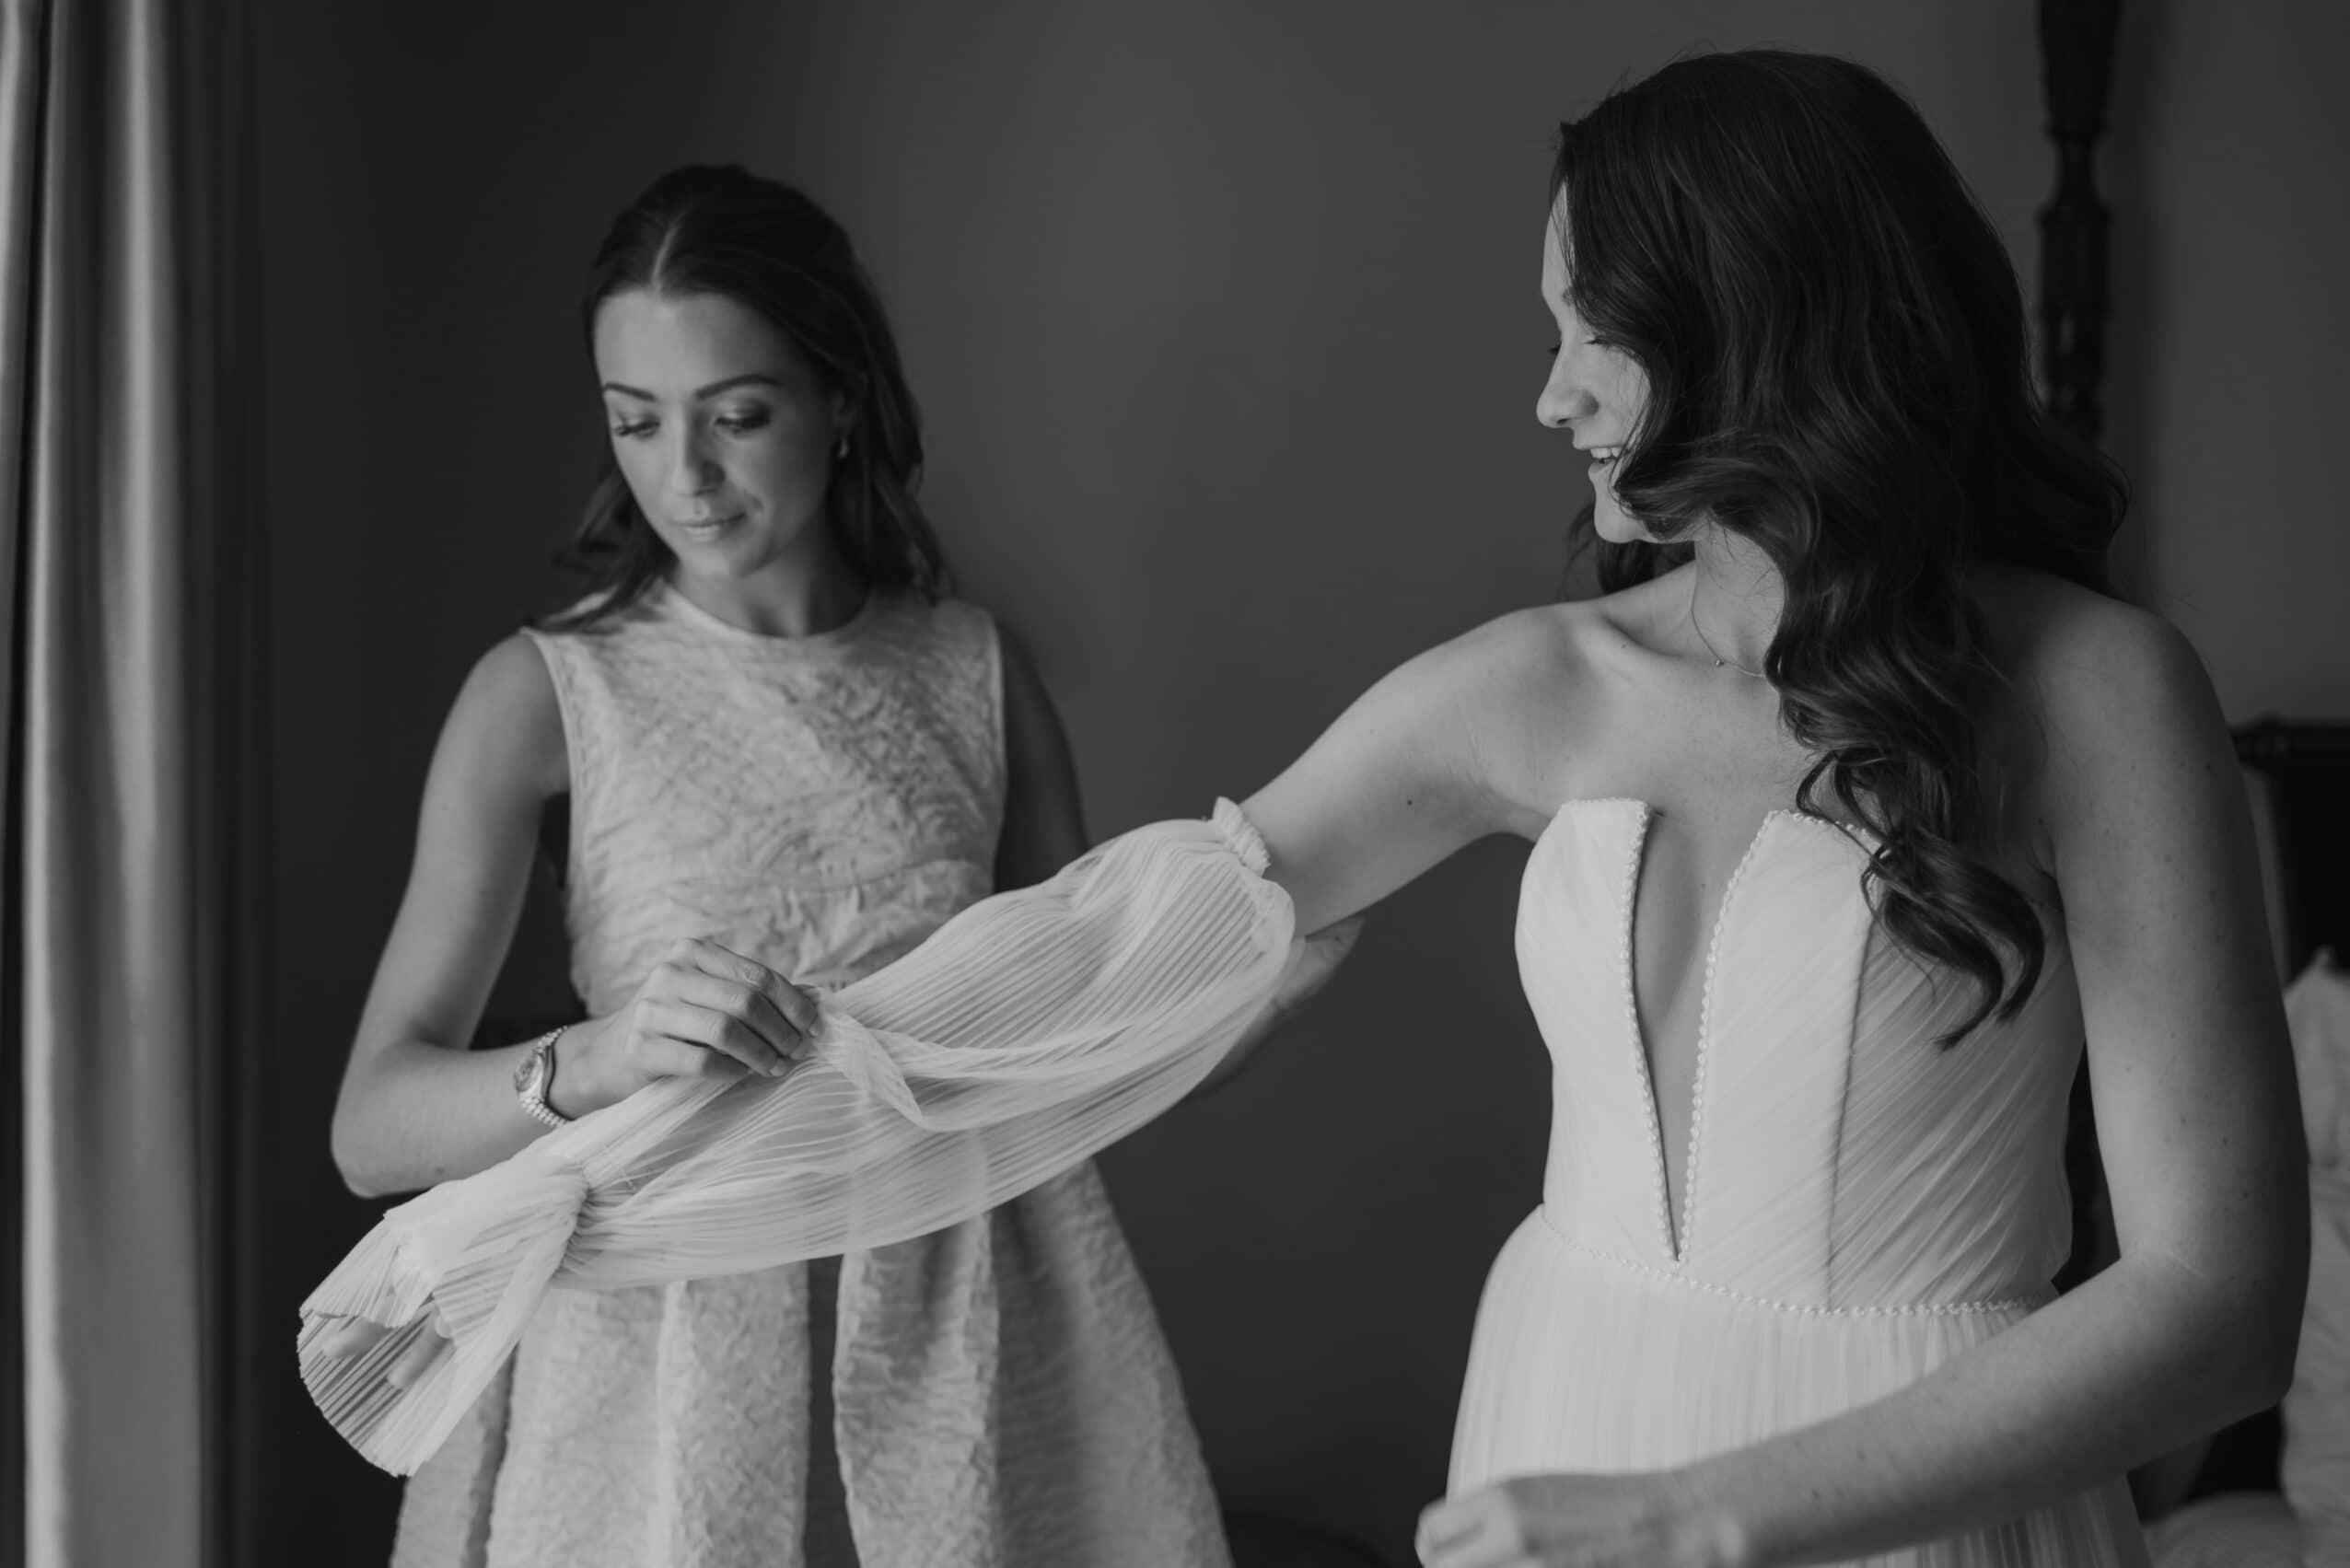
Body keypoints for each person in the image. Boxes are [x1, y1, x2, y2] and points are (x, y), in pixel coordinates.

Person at [310, 50, 2307, 1568]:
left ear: (1752, 329)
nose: (1544, 397)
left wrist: (1700, 1522)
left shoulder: (2092, 696)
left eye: (1579, 332)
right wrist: (552, 1188)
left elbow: (2215, 1309)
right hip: (1565, 1411)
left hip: (1906, 1485)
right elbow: (1083, 963)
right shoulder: (1529, 686)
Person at [323, 164, 1348, 1568]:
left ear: (841, 401)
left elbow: (1083, 1057)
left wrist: (1266, 990)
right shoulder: (544, 695)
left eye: (737, 416)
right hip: (660, 1348)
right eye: (635, 422)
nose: (683, 476)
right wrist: (602, 1056)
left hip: (972, 1314)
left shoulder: (975, 670)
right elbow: (372, 1130)